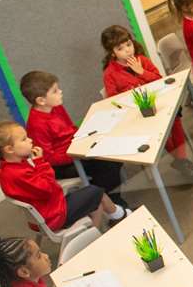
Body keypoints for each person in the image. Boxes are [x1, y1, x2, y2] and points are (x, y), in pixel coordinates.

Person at [0, 121, 123, 232]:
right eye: (24, 139)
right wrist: (40, 162)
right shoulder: (18, 173)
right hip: (54, 215)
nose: (30, 141)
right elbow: (48, 188)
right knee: (96, 191)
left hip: (47, 211)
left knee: (94, 198)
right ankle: (118, 215)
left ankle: (95, 233)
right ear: (9, 149)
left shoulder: (10, 169)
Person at [99, 26, 193, 180]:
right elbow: (113, 100)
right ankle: (182, 161)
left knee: (174, 119)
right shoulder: (109, 73)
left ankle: (180, 159)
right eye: (120, 48)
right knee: (162, 131)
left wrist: (141, 72)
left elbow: (160, 80)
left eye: (128, 44)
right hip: (137, 114)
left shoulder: (143, 60)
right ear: (112, 53)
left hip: (157, 103)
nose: (127, 50)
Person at [18, 69, 125, 199]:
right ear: (41, 100)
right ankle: (112, 205)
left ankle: (103, 192)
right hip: (62, 164)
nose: (60, 92)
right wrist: (79, 153)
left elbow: (71, 128)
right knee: (108, 165)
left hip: (76, 149)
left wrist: (86, 140)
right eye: (55, 91)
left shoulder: (56, 106)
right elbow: (48, 158)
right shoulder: (36, 124)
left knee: (114, 154)